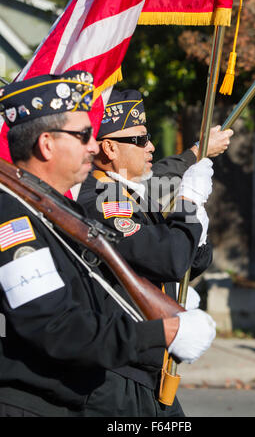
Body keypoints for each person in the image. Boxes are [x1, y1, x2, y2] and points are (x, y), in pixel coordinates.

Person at [0, 73, 216, 417]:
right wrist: (162, 331)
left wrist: (168, 297)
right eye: (83, 135)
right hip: (43, 400)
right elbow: (57, 326)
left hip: (86, 387)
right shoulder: (14, 219)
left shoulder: (60, 212)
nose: (93, 145)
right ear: (46, 144)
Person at [78, 89, 233, 414]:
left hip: (147, 371)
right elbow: (171, 260)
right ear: (109, 148)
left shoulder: (132, 194)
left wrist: (197, 225)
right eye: (140, 139)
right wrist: (188, 206)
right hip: (117, 378)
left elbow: (193, 260)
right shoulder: (105, 202)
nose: (150, 145)